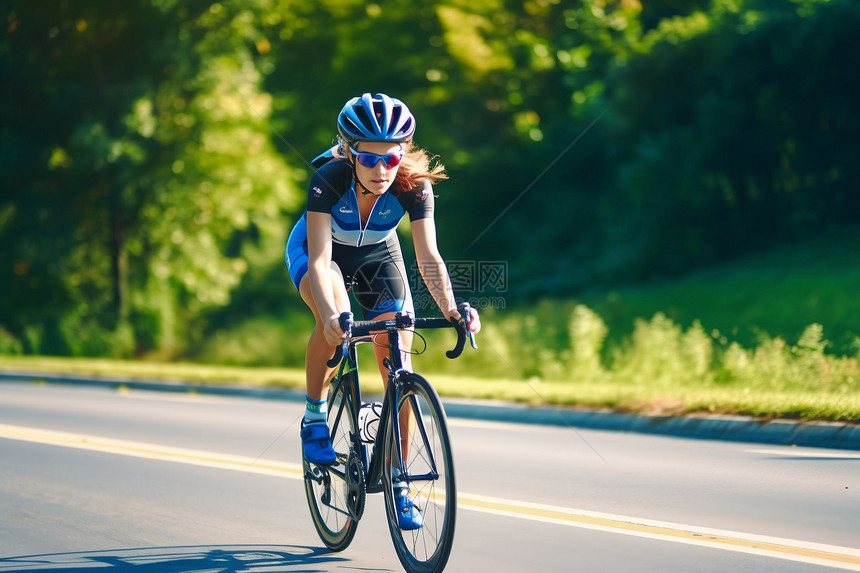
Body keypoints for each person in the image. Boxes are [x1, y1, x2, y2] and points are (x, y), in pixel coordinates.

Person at [285, 93, 480, 529]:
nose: (380, 171)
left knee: (399, 361)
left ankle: (399, 481)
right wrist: (333, 316)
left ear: (403, 154)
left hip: (377, 256)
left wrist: (451, 308)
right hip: (320, 253)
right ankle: (315, 417)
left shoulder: (415, 187)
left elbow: (429, 256)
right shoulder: (329, 179)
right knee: (331, 310)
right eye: (367, 159)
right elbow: (319, 260)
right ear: (350, 153)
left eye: (390, 159)